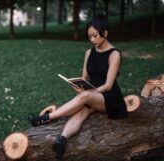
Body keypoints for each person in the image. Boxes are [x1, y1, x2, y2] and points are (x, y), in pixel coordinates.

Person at [28, 16, 128, 160]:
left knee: (84, 97)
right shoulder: (89, 53)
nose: (92, 39)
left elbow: (108, 85)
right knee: (81, 113)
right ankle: (62, 140)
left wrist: (87, 93)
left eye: (95, 35)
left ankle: (45, 118)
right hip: (92, 94)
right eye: (89, 36)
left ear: (105, 33)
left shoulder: (114, 54)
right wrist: (79, 86)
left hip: (110, 98)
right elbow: (84, 78)